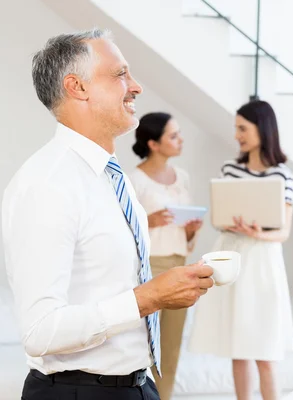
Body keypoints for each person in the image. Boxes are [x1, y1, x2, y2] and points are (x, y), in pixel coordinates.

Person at [2, 29, 214, 400]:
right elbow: (40, 332)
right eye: (120, 74)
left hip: (138, 385)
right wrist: (148, 298)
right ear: (77, 87)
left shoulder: (113, 178)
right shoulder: (47, 184)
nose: (136, 87)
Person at [188, 100, 293, 400]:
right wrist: (233, 224)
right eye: (236, 128)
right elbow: (219, 218)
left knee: (265, 350)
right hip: (232, 255)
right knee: (239, 349)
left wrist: (259, 232)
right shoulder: (231, 169)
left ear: (263, 129)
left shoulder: (282, 175)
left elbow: (283, 232)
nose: (237, 135)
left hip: (262, 262)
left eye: (242, 128)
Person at [129, 111, 203, 399]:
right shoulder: (134, 179)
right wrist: (150, 220)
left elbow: (186, 240)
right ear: (153, 144)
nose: (180, 139)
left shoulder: (182, 177)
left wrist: (190, 230)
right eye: (173, 135)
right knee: (141, 346)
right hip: (148, 268)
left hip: (180, 265)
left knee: (170, 348)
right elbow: (122, 230)